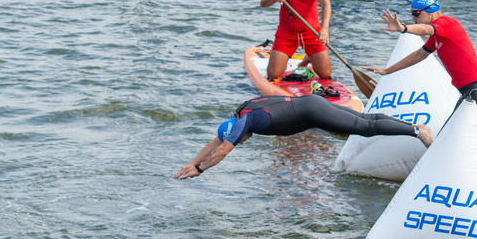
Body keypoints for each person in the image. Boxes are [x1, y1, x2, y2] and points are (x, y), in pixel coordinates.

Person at [173, 94, 434, 178]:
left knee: (365, 128)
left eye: (241, 139)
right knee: (365, 120)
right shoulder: (242, 110)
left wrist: (202, 169)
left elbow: (222, 150)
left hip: (312, 112)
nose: (243, 141)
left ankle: (418, 131)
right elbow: (216, 141)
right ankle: (415, 126)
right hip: (311, 102)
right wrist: (193, 162)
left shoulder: (245, 121)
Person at [364, 0, 477, 117]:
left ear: (429, 10)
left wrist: (403, 28)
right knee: (449, 134)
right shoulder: (438, 36)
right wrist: (387, 71)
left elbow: (426, 29)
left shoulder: (447, 23)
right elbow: (419, 54)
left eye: (416, 14)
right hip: (468, 92)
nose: (413, 19)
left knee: (449, 135)